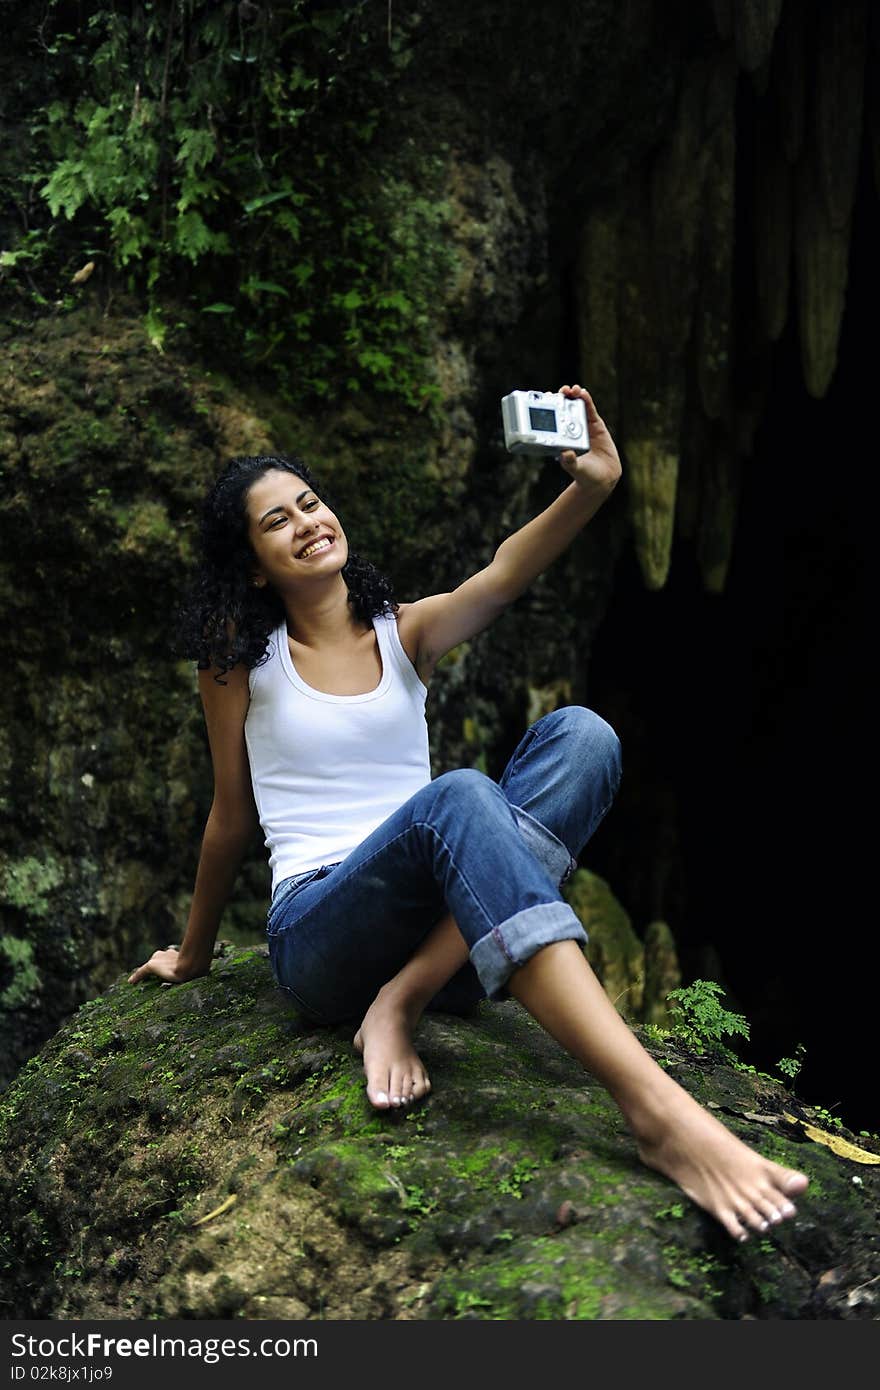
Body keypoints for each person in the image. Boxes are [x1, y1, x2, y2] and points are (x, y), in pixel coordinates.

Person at [128, 384, 808, 1242]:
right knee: (458, 796)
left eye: (310, 502)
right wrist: (193, 955)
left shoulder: (402, 633)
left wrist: (593, 485)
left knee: (584, 738)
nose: (306, 522)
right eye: (276, 522)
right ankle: (657, 1114)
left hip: (443, 936)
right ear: (254, 565)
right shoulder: (241, 661)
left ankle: (403, 1000)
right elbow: (230, 815)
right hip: (320, 933)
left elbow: (502, 575)